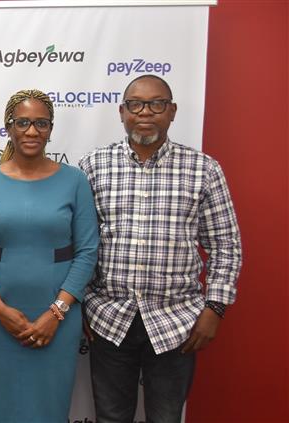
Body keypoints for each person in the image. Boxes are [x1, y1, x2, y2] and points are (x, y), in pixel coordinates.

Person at [78, 74, 242, 423]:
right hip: (108, 318)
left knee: (166, 418)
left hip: (178, 322)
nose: (145, 112)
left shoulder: (203, 169)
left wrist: (215, 308)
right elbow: (79, 243)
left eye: (157, 104)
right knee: (109, 417)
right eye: (135, 104)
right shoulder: (93, 166)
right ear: (122, 112)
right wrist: (78, 304)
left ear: (172, 111)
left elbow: (226, 244)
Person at [0, 89, 99, 422]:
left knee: (49, 407)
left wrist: (55, 313)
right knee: (2, 407)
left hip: (57, 316)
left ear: (51, 128)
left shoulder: (74, 181)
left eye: (41, 123)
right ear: (9, 127)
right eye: (23, 122)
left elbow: (86, 252)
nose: (31, 131)